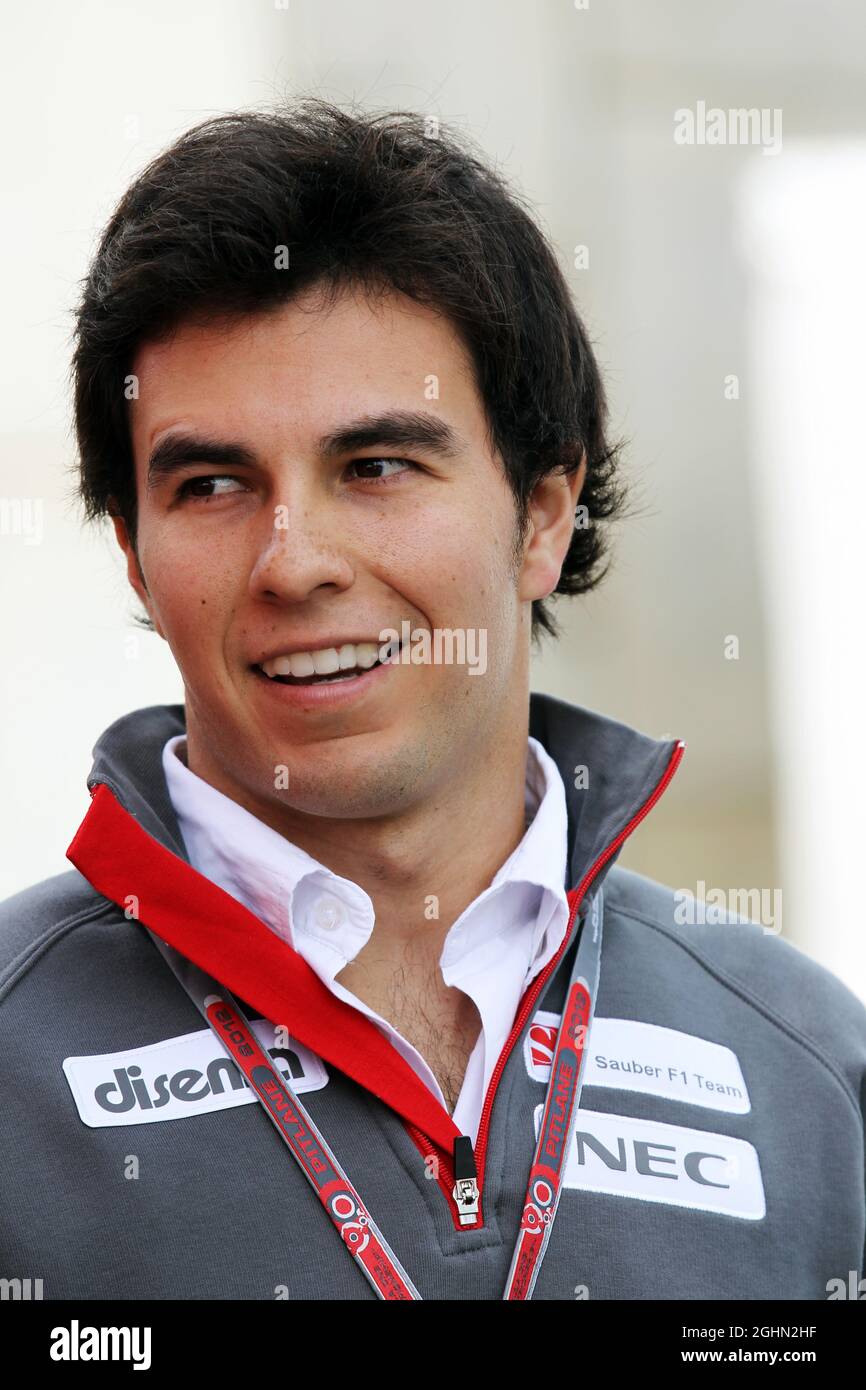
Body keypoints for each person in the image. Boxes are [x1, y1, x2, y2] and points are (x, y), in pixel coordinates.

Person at [1, 100, 864, 1302]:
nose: (294, 560)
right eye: (210, 483)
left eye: (375, 467)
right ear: (135, 557)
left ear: (543, 515)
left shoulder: (807, 1065)